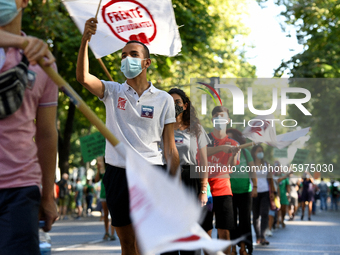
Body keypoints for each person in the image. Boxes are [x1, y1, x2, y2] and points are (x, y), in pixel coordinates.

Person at [77, 18, 179, 254]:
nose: (126, 59)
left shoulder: (163, 99)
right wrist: (85, 40)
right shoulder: (112, 91)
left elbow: (170, 148)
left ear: (146, 62)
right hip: (117, 173)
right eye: (123, 55)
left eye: (133, 54)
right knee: (127, 244)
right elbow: (83, 78)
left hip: (151, 172)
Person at [0, 0, 59, 253]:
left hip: (21, 189)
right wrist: (20, 42)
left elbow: (46, 134)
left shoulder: (42, 61)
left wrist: (47, 195)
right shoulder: (30, 46)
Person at [161, 88, 209, 255]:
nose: (174, 105)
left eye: (177, 102)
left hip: (191, 179)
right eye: (170, 102)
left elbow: (203, 161)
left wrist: (203, 189)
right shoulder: (160, 126)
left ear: (185, 105)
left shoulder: (195, 129)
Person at [205, 106, 240, 255]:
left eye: (222, 116)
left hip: (223, 190)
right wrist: (221, 149)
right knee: (206, 232)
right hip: (205, 190)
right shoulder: (204, 139)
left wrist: (232, 154)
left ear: (228, 120)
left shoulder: (234, 144)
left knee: (224, 232)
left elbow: (231, 168)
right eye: (216, 116)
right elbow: (199, 154)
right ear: (212, 119)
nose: (219, 118)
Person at [227, 128, 257, 255]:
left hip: (245, 192)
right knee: (231, 222)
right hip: (229, 192)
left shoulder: (245, 152)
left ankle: (243, 248)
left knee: (245, 221)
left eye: (231, 139)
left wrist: (255, 186)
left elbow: (252, 170)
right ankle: (233, 248)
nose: (229, 141)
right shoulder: (224, 152)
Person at [251, 145, 274, 245]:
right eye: (259, 151)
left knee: (264, 214)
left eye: (262, 151)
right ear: (254, 153)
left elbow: (270, 179)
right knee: (255, 216)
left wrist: (272, 193)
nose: (261, 153)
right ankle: (258, 237)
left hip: (265, 192)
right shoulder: (250, 164)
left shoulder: (266, 164)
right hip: (253, 193)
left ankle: (263, 237)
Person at [95, 156, 116, 241]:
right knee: (105, 215)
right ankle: (107, 232)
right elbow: (96, 180)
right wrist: (98, 169)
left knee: (113, 215)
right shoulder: (102, 171)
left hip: (112, 194)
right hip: (104, 195)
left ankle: (112, 233)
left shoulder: (113, 169)